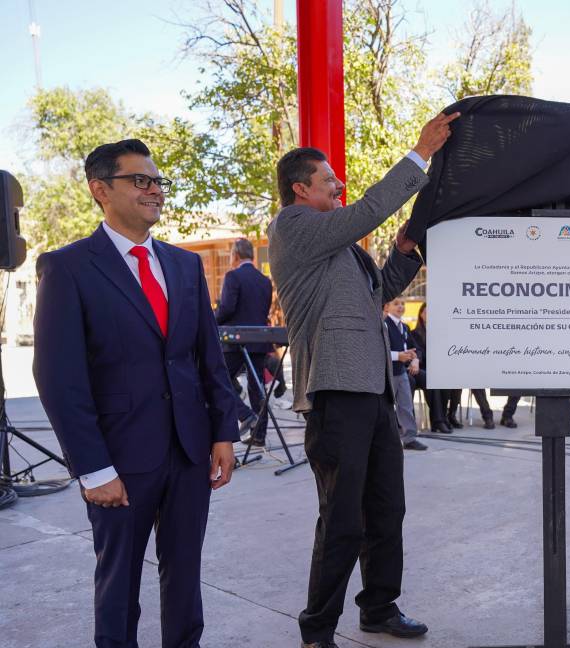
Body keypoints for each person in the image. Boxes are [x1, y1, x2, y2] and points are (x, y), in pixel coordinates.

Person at [33, 139, 239, 648]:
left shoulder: (184, 265)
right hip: (119, 459)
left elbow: (206, 358)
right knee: (120, 582)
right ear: (100, 190)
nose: (154, 190)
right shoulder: (68, 267)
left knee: (185, 575)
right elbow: (59, 377)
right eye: (140, 180)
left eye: (157, 181)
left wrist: (223, 432)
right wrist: (93, 467)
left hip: (190, 451)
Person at [267, 110, 458, 648]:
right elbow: (369, 209)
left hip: (372, 392)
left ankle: (379, 607)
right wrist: (420, 153)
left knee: (385, 508)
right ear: (300, 188)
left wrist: (402, 255)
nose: (339, 185)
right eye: (329, 180)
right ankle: (318, 629)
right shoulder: (293, 227)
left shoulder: (343, 251)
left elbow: (378, 297)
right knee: (342, 519)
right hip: (335, 395)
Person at [215, 237, 274, 446]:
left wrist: (210, 320)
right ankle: (259, 435)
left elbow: (227, 308)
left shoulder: (233, 276)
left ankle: (246, 415)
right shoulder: (265, 280)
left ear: (236, 255)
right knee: (257, 386)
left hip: (236, 340)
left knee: (217, 379)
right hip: (259, 339)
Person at [384, 298, 427, 450]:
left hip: (401, 372)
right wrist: (398, 356)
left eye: (402, 303)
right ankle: (384, 440)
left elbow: (413, 349)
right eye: (396, 303)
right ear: (387, 307)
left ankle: (409, 438)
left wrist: (415, 360)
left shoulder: (404, 327)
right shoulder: (383, 326)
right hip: (387, 374)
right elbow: (378, 351)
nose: (400, 306)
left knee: (406, 406)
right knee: (385, 409)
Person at [409, 302, 450, 434]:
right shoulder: (415, 333)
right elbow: (418, 352)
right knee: (433, 379)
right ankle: (439, 421)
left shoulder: (440, 332)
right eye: (427, 312)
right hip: (423, 366)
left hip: (438, 367)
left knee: (448, 380)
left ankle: (444, 418)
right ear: (421, 315)